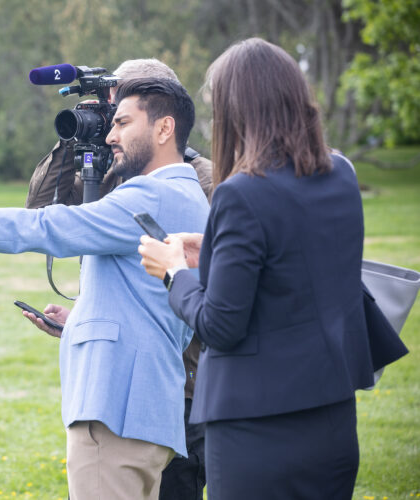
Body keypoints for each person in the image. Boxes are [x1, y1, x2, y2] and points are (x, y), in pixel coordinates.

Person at [0, 78, 209, 499]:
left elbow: (46, 225)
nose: (110, 135)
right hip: (147, 412)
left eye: (121, 123)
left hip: (115, 413)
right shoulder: (190, 195)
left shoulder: (150, 195)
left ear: (163, 129)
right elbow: (156, 304)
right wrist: (83, 320)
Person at [137, 38, 375, 499]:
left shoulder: (240, 193)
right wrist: (214, 248)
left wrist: (174, 273)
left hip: (256, 430)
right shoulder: (341, 174)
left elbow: (220, 325)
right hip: (332, 414)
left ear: (235, 111)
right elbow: (300, 257)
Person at [24, 58, 210, 500]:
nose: (113, 122)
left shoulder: (199, 179)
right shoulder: (114, 171)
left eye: (124, 111)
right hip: (124, 374)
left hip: (185, 382)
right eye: (112, 108)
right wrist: (75, 136)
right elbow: (41, 208)